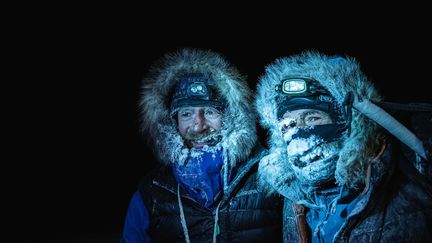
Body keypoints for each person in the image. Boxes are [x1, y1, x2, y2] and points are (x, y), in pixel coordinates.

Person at [255, 51, 432, 242]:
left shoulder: (404, 186)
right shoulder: (294, 198)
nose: (299, 132)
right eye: (288, 124)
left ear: (347, 122)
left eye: (312, 117)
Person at [120, 48, 282, 243]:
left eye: (210, 112)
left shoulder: (270, 177)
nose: (199, 125)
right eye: (186, 114)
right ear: (173, 124)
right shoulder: (153, 191)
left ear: (231, 118)